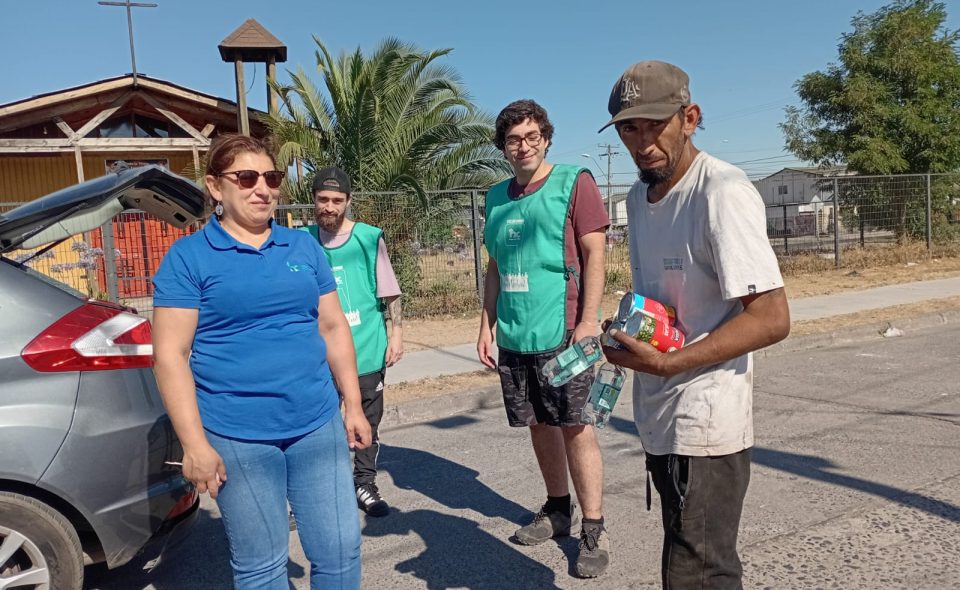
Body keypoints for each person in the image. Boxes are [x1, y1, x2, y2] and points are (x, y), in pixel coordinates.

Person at [599, 61, 791, 589]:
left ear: (690, 117)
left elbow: (773, 317)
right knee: (684, 559)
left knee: (700, 572)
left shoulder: (721, 192)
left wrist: (667, 362)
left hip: (707, 421)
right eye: (628, 129)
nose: (642, 143)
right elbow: (669, 299)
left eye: (654, 125)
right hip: (660, 410)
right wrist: (630, 325)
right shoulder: (639, 197)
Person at [152, 134, 371, 590]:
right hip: (237, 435)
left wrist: (352, 404)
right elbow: (171, 355)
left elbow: (332, 328)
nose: (262, 189)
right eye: (246, 177)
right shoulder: (189, 258)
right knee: (262, 565)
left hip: (316, 423)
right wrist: (194, 445)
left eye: (271, 178)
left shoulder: (303, 248)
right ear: (216, 186)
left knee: (340, 551)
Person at [477, 99, 612, 578]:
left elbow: (595, 254)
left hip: (566, 331)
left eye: (533, 136)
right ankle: (558, 509)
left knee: (577, 424)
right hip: (516, 334)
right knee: (537, 422)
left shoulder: (575, 182)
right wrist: (486, 323)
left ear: (547, 138)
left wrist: (590, 320)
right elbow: (495, 265)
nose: (524, 146)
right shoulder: (495, 197)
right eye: (514, 139)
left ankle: (592, 527)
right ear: (504, 147)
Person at [306, 166, 404, 517]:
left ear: (348, 201)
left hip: (366, 350)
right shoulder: (303, 242)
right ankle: (320, 491)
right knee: (318, 428)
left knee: (366, 424)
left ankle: (364, 484)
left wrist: (396, 334)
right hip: (319, 359)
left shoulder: (368, 238)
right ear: (312, 200)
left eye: (336, 200)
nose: (329, 207)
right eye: (322, 200)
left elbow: (389, 291)